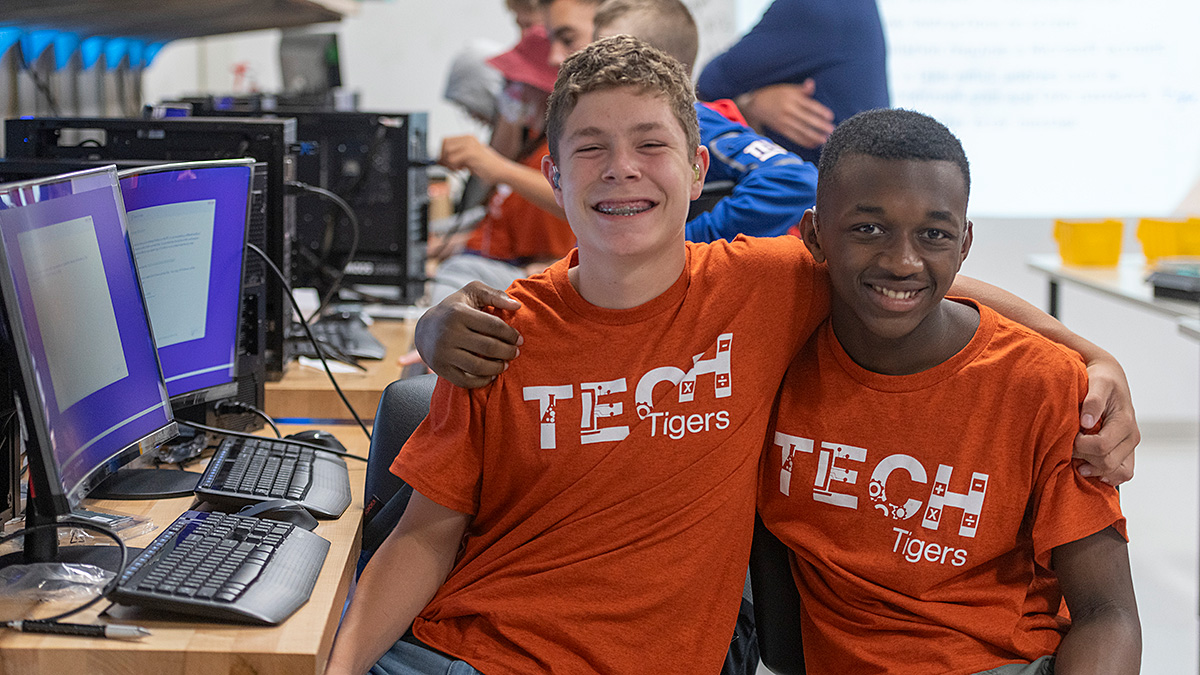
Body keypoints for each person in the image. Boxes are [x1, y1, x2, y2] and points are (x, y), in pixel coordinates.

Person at [329, 35, 839, 675]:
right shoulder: (497, 326)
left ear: (699, 169)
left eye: (652, 144)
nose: (621, 167)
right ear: (555, 176)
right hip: (463, 653)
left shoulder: (764, 287)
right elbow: (425, 535)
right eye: (591, 147)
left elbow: (925, 285)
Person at [760, 107, 1140, 673]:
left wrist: (1091, 353)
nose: (902, 261)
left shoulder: (1045, 384)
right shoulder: (771, 356)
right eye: (868, 228)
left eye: (933, 235)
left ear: (963, 244)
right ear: (814, 234)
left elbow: (1108, 612)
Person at [429, 25, 575, 308]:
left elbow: (572, 202)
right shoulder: (531, 146)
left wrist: (495, 166)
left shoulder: (553, 154)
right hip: (504, 263)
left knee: (453, 277)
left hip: (528, 273)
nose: (508, 93)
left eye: (516, 84)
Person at [695, 0, 890, 163]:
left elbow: (709, 83)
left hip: (817, 193)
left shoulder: (811, 7)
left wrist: (751, 104)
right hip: (848, 188)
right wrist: (754, 104)